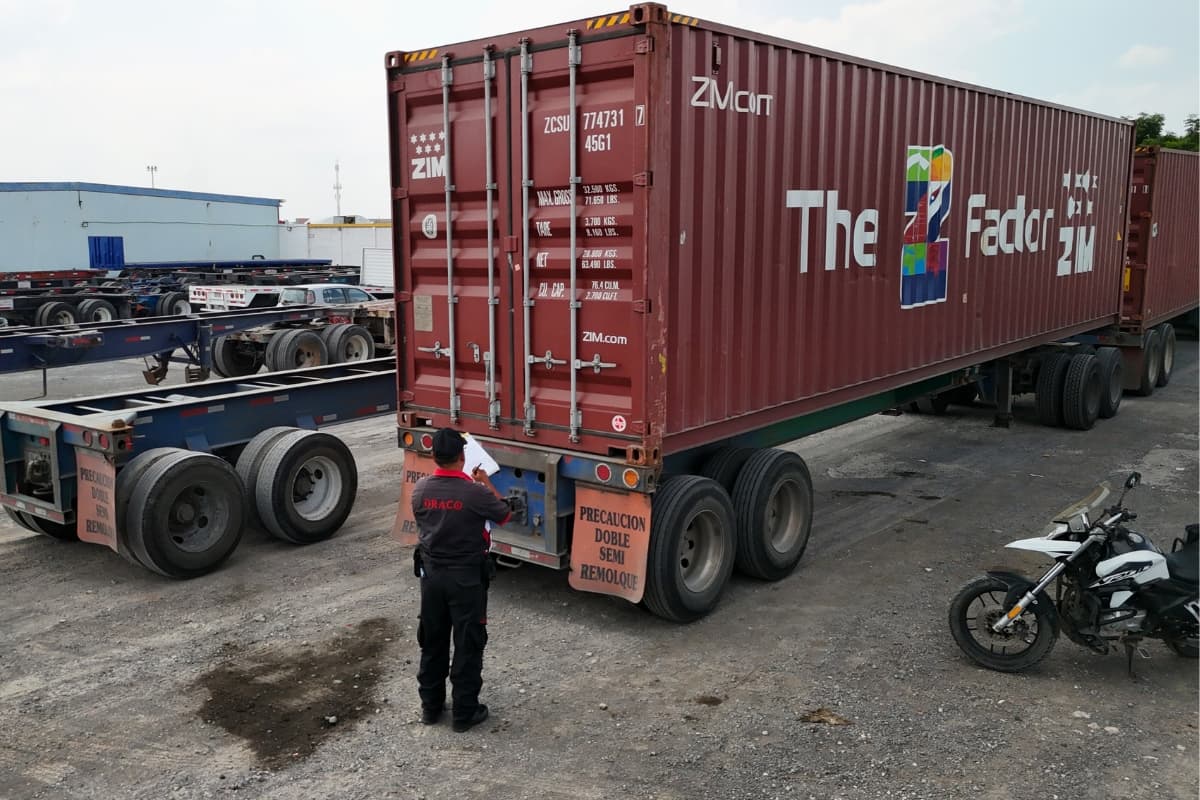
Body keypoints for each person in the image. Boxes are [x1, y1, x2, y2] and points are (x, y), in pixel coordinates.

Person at [411, 428, 512, 732]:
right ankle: (464, 713)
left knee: (432, 641)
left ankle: (430, 708)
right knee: (467, 644)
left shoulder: (420, 490)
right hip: (466, 580)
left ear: (433, 456)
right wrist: (485, 482)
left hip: (431, 579)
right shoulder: (474, 492)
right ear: (463, 456)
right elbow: (505, 515)